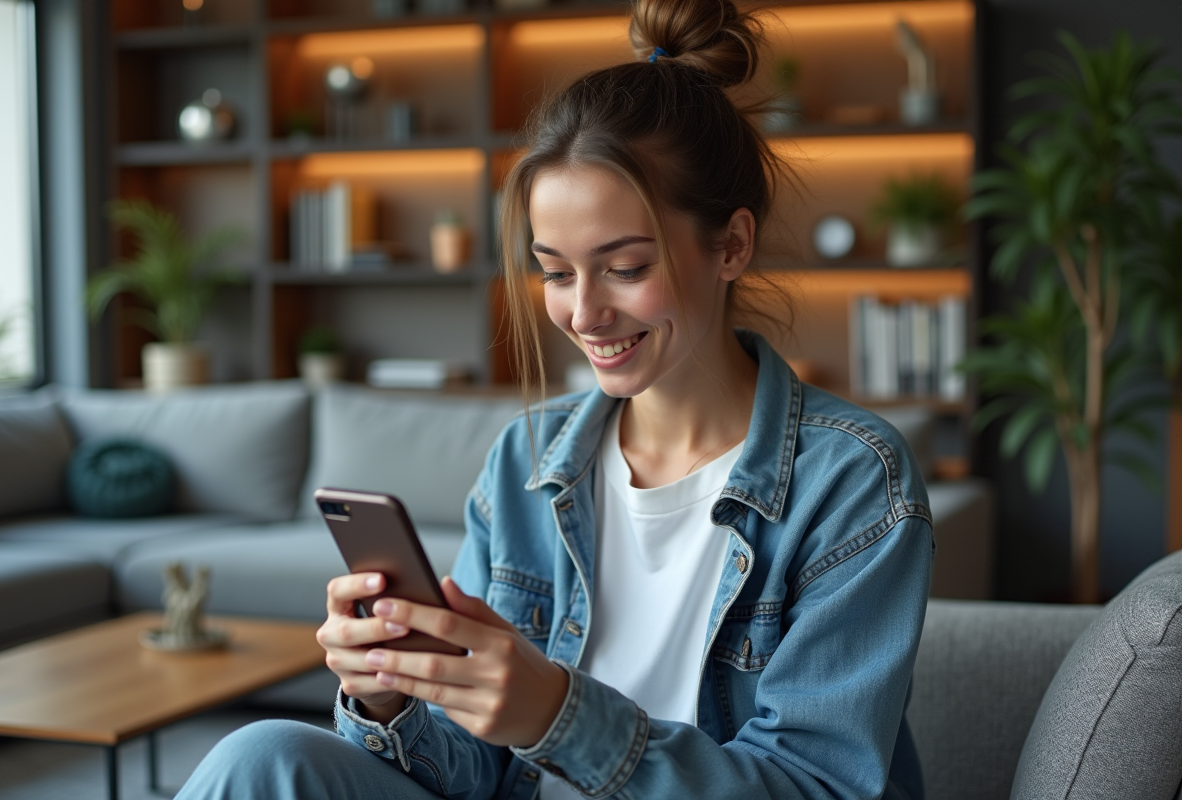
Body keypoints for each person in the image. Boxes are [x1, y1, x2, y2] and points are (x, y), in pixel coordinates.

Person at [176, 0, 933, 797]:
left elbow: (815, 786)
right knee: (259, 756)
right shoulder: (528, 461)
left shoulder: (853, 483)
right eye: (557, 271)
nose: (583, 312)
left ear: (732, 245)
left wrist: (556, 715)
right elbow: (477, 772)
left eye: (626, 267)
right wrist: (391, 693)